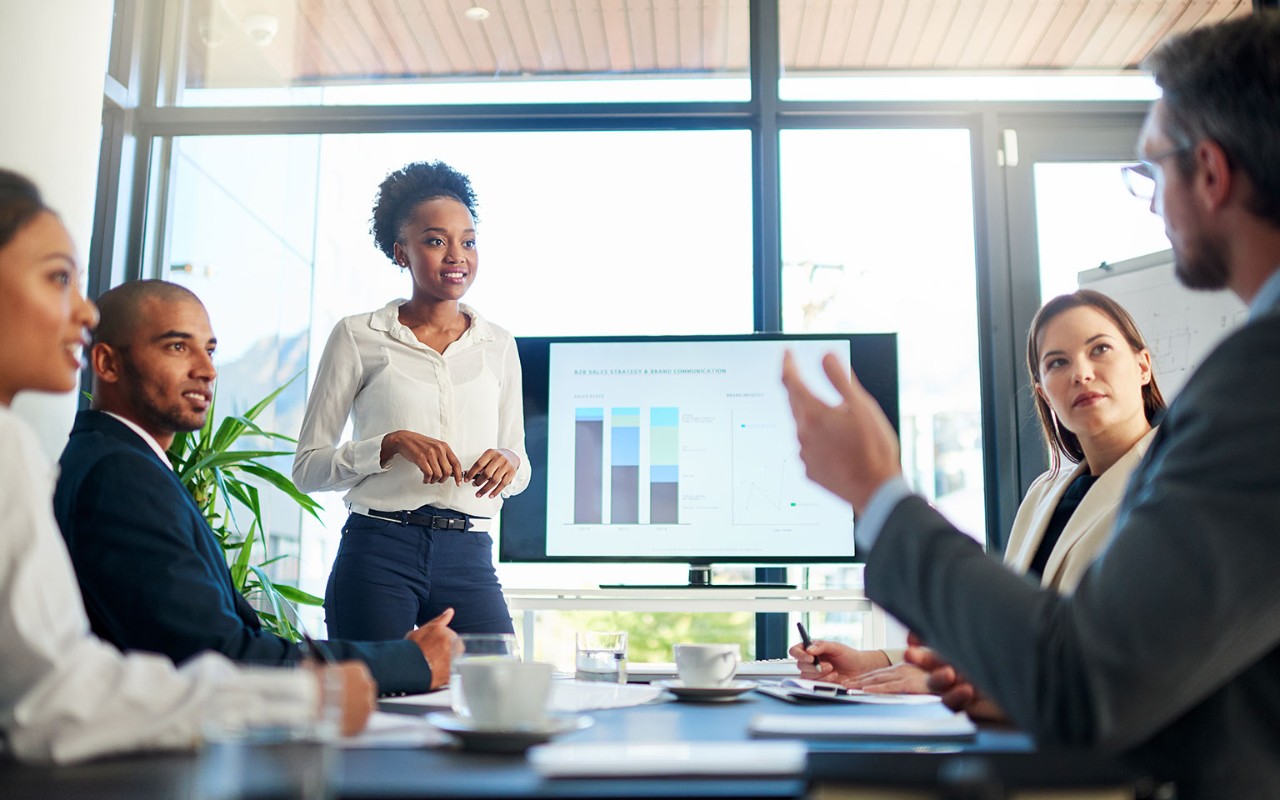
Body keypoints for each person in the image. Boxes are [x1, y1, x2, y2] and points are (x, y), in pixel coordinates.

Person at [781, 13, 1280, 798]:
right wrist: (997, 683)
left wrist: (877, 491)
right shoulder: (1054, 489)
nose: (1152, 204)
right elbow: (1169, 663)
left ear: (1211, 172)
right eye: (1056, 363)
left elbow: (1089, 676)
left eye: (1151, 170)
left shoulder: (1257, 383)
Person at [0, 169, 373, 764]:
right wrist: (308, 697)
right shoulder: (98, 469)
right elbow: (55, 694)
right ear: (108, 365)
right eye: (58, 278)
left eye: (210, 349)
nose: (84, 311)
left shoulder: (33, 449)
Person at [53, 280, 455, 697]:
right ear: (107, 363)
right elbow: (216, 658)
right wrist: (408, 661)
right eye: (177, 347)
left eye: (209, 351)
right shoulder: (119, 474)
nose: (207, 370)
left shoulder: (117, 460)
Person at [790, 291, 1166, 701]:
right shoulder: (1043, 494)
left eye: (1100, 349)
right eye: (1058, 362)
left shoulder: (1168, 491)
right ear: (1044, 393)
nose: (1082, 373)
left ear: (1142, 366)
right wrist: (876, 661)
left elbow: (1119, 669)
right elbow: (1010, 637)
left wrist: (954, 683)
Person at [293, 161, 530, 640]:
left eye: (468, 241)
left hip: (469, 553)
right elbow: (307, 469)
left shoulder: (498, 345)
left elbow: (520, 468)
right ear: (401, 252)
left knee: (498, 682)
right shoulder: (357, 336)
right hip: (378, 551)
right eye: (436, 241)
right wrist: (390, 444)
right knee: (374, 686)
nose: (456, 256)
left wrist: (508, 461)